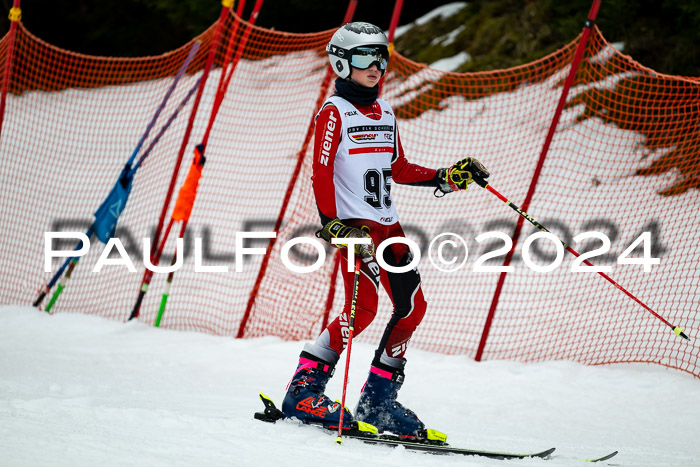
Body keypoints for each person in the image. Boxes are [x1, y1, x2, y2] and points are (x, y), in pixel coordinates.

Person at [281, 21, 489, 440]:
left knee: (412, 308)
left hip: (389, 227)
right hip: (355, 229)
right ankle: (302, 391)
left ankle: (377, 402)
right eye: (364, 58)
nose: (376, 66)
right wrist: (333, 226)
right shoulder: (332, 112)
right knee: (362, 312)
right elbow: (321, 174)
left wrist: (445, 176)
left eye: (381, 56)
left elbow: (397, 167)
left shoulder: (386, 112)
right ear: (342, 63)